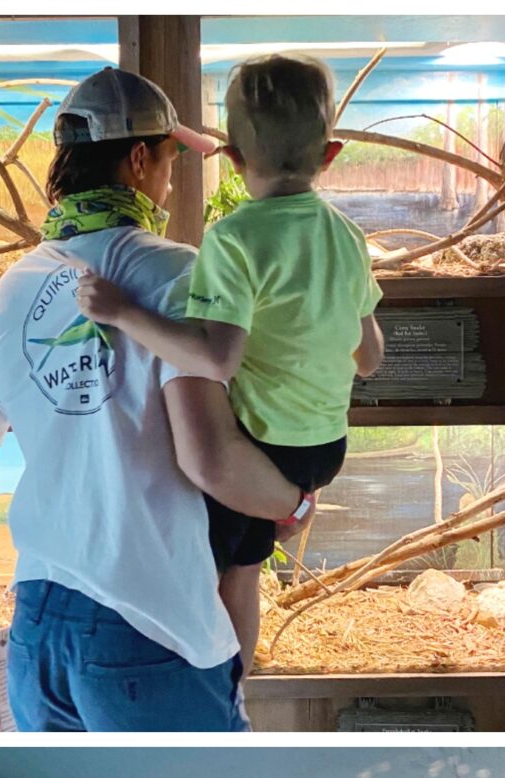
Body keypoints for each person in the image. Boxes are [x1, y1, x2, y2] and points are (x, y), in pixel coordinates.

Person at [0, 66, 305, 731]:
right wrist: (292, 500)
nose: (171, 176)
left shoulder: (11, 291)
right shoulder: (179, 275)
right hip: (146, 624)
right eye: (168, 159)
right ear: (137, 160)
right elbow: (210, 457)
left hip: (38, 633)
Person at [76, 53, 385, 671]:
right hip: (325, 447)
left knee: (219, 575)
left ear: (235, 160)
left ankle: (216, 688)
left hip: (262, 449)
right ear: (331, 154)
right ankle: (235, 691)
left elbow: (216, 360)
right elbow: (370, 356)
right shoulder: (348, 235)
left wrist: (124, 313)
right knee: (243, 573)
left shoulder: (233, 239)